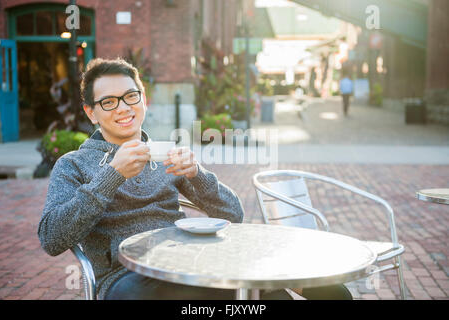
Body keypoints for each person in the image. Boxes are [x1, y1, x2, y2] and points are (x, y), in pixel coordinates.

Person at [38, 58, 351, 300]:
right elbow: (52, 238)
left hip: (192, 263)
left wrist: (197, 174)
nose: (123, 107)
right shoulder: (74, 164)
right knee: (252, 294)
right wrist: (112, 176)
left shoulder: (164, 155)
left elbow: (233, 214)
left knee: (325, 291)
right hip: (127, 277)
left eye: (131, 96)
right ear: (91, 112)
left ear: (144, 100)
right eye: (109, 102)